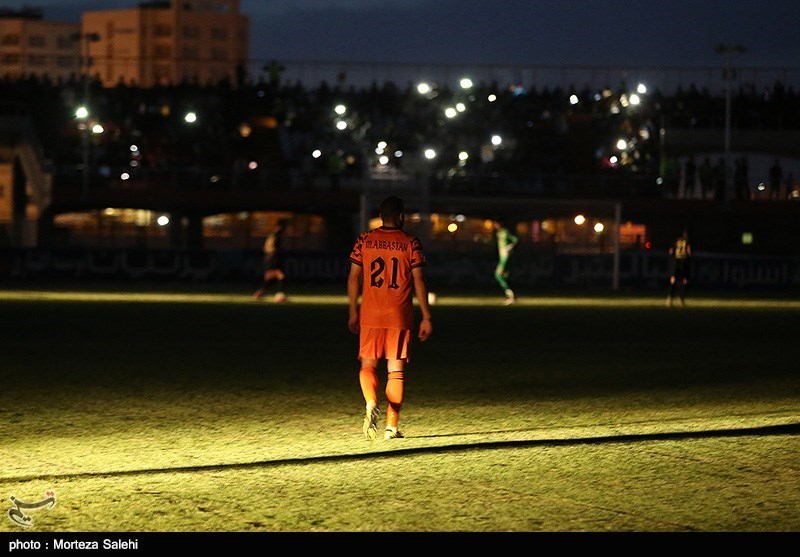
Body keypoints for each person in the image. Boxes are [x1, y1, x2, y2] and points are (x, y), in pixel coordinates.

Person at [347, 195, 433, 441]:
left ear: (381, 216)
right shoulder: (410, 242)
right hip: (398, 314)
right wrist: (426, 316)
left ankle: (370, 401)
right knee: (395, 370)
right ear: (402, 216)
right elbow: (419, 280)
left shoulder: (364, 240)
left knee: (367, 364)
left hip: (370, 313)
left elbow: (353, 278)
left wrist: (353, 310)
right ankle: (391, 427)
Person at [253, 219, 288, 301]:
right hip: (273, 256)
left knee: (269, 276)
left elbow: (266, 247)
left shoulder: (272, 234)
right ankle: (280, 295)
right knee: (280, 275)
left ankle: (260, 293)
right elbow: (273, 247)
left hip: (268, 257)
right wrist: (275, 257)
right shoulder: (277, 234)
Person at [493, 220, 519, 305]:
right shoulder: (498, 233)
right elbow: (493, 243)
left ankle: (511, 296)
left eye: (496, 223)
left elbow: (515, 239)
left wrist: (509, 247)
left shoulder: (505, 232)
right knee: (504, 277)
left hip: (505, 257)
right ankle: (512, 296)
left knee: (498, 275)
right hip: (502, 257)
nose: (495, 225)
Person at [666, 229, 692, 307]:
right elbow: (689, 252)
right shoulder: (687, 242)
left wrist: (672, 259)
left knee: (673, 280)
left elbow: (670, 251)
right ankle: (682, 299)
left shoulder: (676, 241)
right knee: (684, 281)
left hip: (676, 262)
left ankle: (670, 299)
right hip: (684, 262)